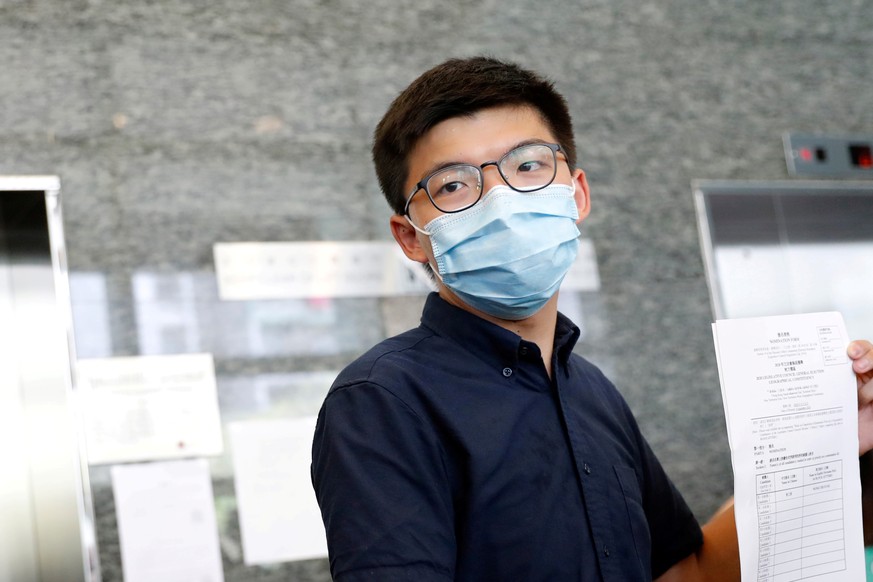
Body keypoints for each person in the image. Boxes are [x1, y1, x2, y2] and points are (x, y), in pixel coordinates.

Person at [310, 56, 873, 581]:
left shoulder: (590, 390)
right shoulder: (383, 400)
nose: (502, 202)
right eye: (455, 185)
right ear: (411, 236)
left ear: (576, 195)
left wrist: (831, 443)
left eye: (528, 165)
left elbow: (686, 572)